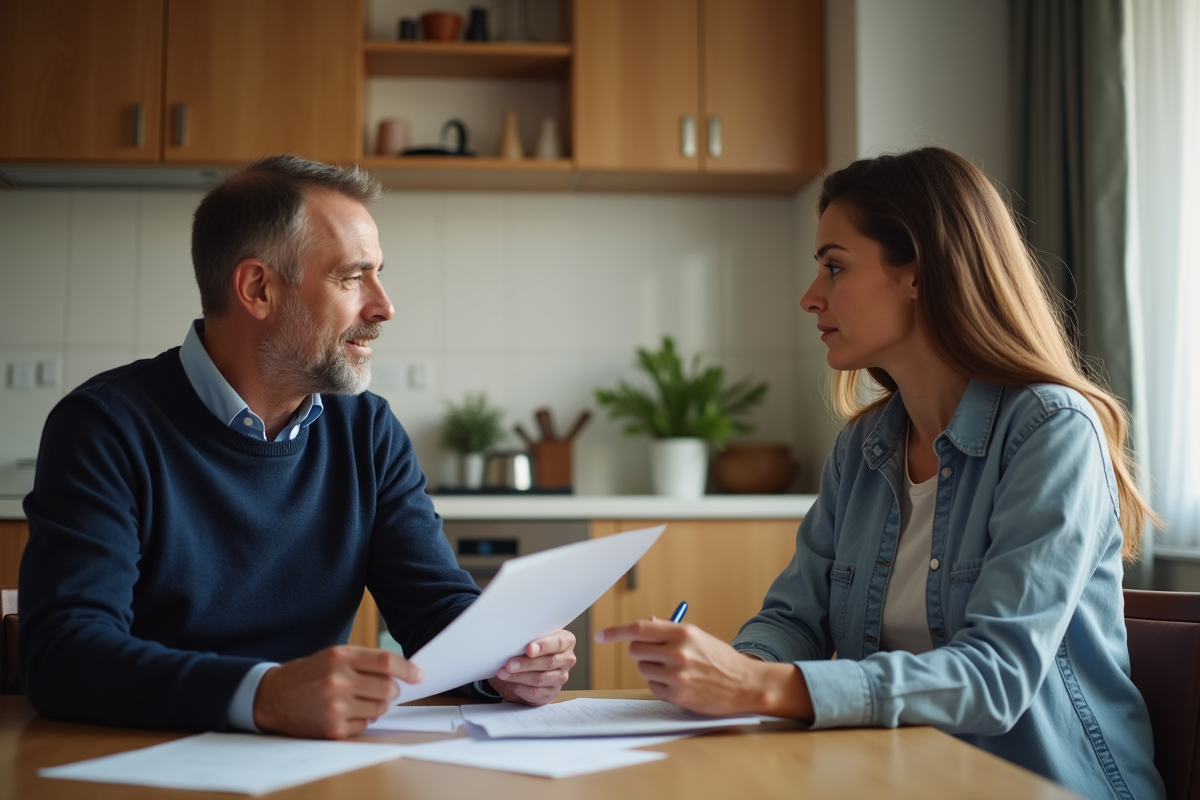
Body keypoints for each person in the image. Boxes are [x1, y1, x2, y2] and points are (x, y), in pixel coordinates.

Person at [596, 148, 1166, 800]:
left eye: (835, 267)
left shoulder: (1051, 432)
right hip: (902, 779)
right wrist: (742, 665)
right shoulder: (863, 448)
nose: (811, 298)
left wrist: (761, 687)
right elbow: (795, 616)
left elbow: (998, 676)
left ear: (919, 274)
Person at [19, 154, 575, 739]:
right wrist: (263, 694)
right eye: (353, 277)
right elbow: (63, 654)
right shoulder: (105, 427)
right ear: (257, 288)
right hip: (138, 762)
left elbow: (434, 610)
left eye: (378, 274)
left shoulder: (367, 429)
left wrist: (506, 664)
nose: (384, 306)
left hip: (312, 766)